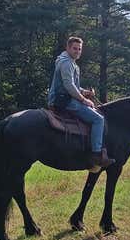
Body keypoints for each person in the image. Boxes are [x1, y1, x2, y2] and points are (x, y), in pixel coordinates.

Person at [48, 36, 114, 172]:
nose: (77, 51)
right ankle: (96, 154)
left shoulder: (70, 62)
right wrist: (84, 100)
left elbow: (74, 87)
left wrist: (85, 92)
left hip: (65, 98)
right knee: (98, 119)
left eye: (79, 49)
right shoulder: (66, 63)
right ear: (68, 48)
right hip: (64, 101)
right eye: (74, 48)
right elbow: (68, 86)